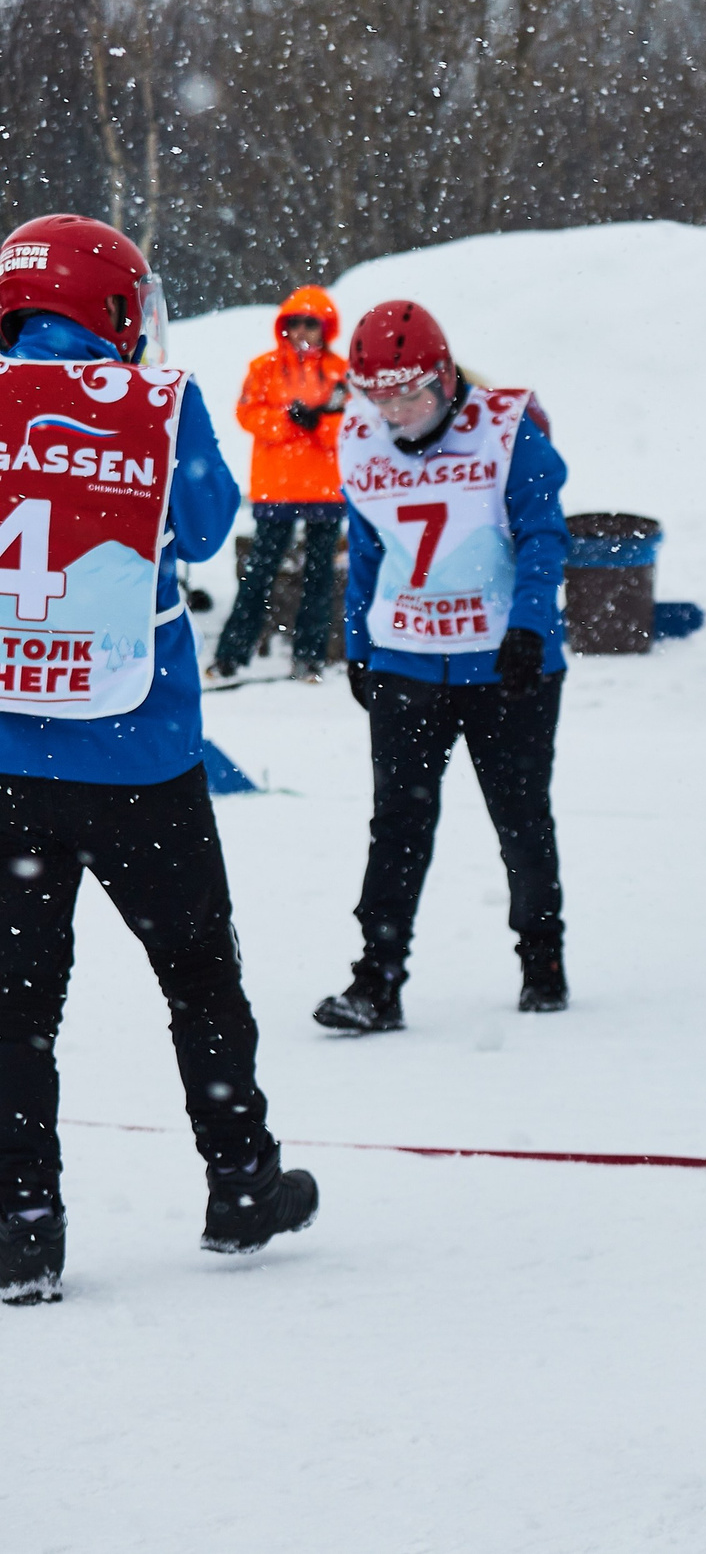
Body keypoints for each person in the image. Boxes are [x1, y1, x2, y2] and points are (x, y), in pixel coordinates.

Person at [0, 214, 319, 1305]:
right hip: (141, 756)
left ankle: (21, 1225)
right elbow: (205, 521)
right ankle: (240, 1183)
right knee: (199, 978)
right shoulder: (155, 402)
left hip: (6, 756)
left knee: (14, 1005)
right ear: (119, 311)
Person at [310, 300, 571, 1034]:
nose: (396, 410)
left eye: (411, 392)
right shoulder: (361, 437)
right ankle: (377, 979)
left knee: (520, 819)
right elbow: (363, 552)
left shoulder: (508, 428)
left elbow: (545, 533)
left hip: (506, 664)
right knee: (397, 825)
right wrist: (358, 646)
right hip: (408, 659)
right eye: (378, 394)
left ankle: (541, 957)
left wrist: (527, 628)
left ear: (446, 375)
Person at [210, 285, 349, 681]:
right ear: (283, 327)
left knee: (319, 577)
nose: (303, 331)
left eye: (312, 323)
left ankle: (310, 658)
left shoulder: (341, 371)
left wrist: (319, 424)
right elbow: (247, 414)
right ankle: (231, 655)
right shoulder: (263, 368)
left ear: (326, 327)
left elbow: (352, 424)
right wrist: (289, 421)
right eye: (295, 323)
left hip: (324, 487)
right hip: (278, 486)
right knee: (258, 575)